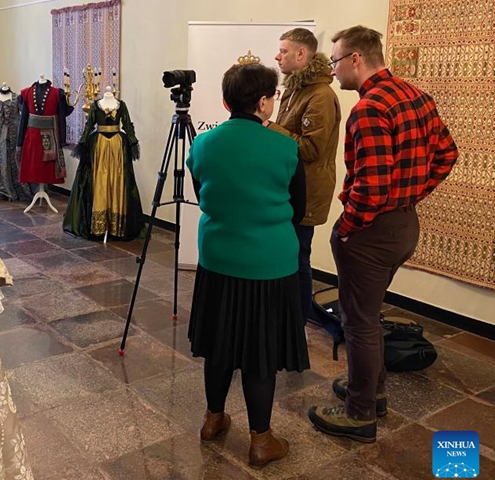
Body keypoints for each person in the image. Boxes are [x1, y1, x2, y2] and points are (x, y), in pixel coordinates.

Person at [308, 25, 458, 443]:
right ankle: (371, 392)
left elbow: (371, 188)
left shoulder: (370, 108)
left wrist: (346, 228)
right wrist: (410, 194)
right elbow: (447, 154)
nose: (333, 71)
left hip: (372, 231)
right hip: (404, 224)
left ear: (356, 58)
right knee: (368, 317)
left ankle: (359, 414)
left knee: (358, 322)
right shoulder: (416, 95)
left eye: (336, 61)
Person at [186, 61, 310, 470]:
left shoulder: (202, 145)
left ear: (225, 101)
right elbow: (299, 209)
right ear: (263, 103)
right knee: (260, 352)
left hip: (219, 258)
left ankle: (212, 419)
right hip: (270, 264)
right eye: (272, 97)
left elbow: (203, 194)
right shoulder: (285, 147)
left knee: (218, 345)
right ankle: (261, 440)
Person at [268, 28, 341, 324]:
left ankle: (297, 322)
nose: (277, 56)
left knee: (299, 259)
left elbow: (310, 149)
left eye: (283, 50)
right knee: (285, 255)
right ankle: (283, 315)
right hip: (288, 186)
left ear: (301, 54)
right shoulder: (296, 88)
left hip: (307, 190)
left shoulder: (321, 95)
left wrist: (269, 128)